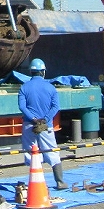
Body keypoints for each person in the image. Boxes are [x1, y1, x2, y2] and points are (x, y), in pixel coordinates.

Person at [17, 58, 68, 190]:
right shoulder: (50, 88)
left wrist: (33, 119)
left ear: (31, 72)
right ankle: (60, 182)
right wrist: (45, 119)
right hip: (46, 126)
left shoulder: (24, 87)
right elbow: (55, 107)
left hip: (29, 125)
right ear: (43, 72)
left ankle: (36, 183)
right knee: (52, 151)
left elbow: (22, 107)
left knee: (31, 154)